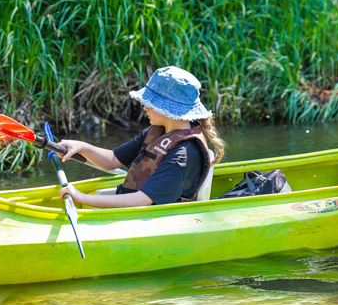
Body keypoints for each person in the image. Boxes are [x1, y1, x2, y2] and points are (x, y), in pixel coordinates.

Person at [58, 66, 225, 208]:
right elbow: (111, 160)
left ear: (169, 109)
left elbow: (142, 200)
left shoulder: (183, 155)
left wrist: (81, 198)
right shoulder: (158, 131)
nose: (145, 106)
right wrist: (82, 147)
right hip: (132, 209)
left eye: (151, 103)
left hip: (154, 219)